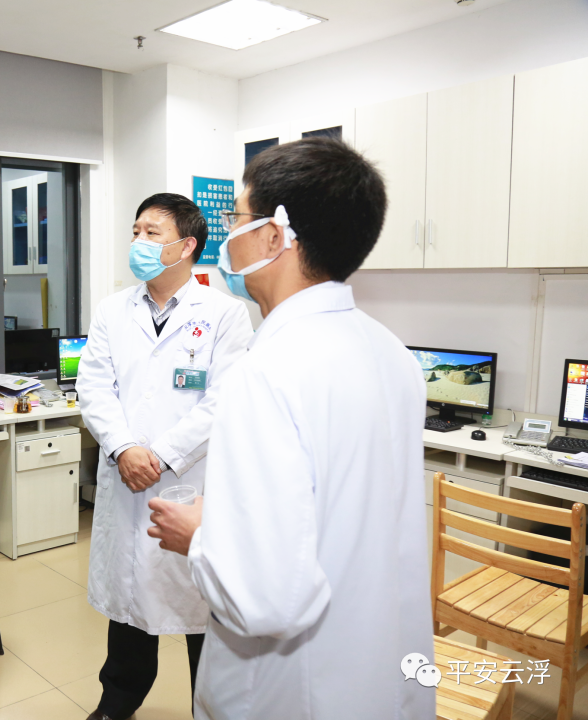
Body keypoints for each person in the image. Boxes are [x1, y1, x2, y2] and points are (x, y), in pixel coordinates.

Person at [149, 138, 435, 719]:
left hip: (295, 691)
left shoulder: (267, 371)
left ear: (274, 236)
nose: (228, 235)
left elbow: (267, 598)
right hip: (377, 672)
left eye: (237, 219)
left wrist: (200, 535)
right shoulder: (392, 353)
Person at [77, 193, 253, 720]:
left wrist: (157, 455)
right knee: (129, 607)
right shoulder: (113, 309)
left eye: (152, 233)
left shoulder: (225, 314)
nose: (138, 241)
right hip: (126, 476)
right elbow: (93, 386)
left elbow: (224, 400)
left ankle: (212, 708)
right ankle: (117, 700)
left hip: (190, 483)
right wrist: (124, 448)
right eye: (136, 231)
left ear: (186, 246)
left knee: (202, 610)